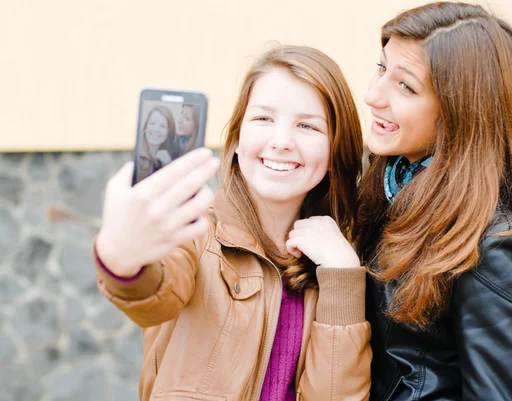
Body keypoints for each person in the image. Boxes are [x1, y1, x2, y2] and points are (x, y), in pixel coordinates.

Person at [93, 45, 371, 401]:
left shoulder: (337, 258)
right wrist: (121, 256)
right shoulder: (194, 230)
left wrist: (343, 275)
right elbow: (151, 295)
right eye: (263, 119)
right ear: (237, 140)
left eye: (306, 125)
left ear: (334, 152)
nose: (282, 141)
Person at [354, 3, 512, 400]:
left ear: (461, 112)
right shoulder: (393, 187)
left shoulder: (496, 245)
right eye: (381, 67)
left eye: (405, 86)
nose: (373, 95)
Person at [137, 105, 176, 181]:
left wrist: (168, 165)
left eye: (162, 126)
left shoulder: (166, 157)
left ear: (168, 133)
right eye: (152, 123)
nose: (156, 129)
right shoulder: (137, 157)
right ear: (145, 127)